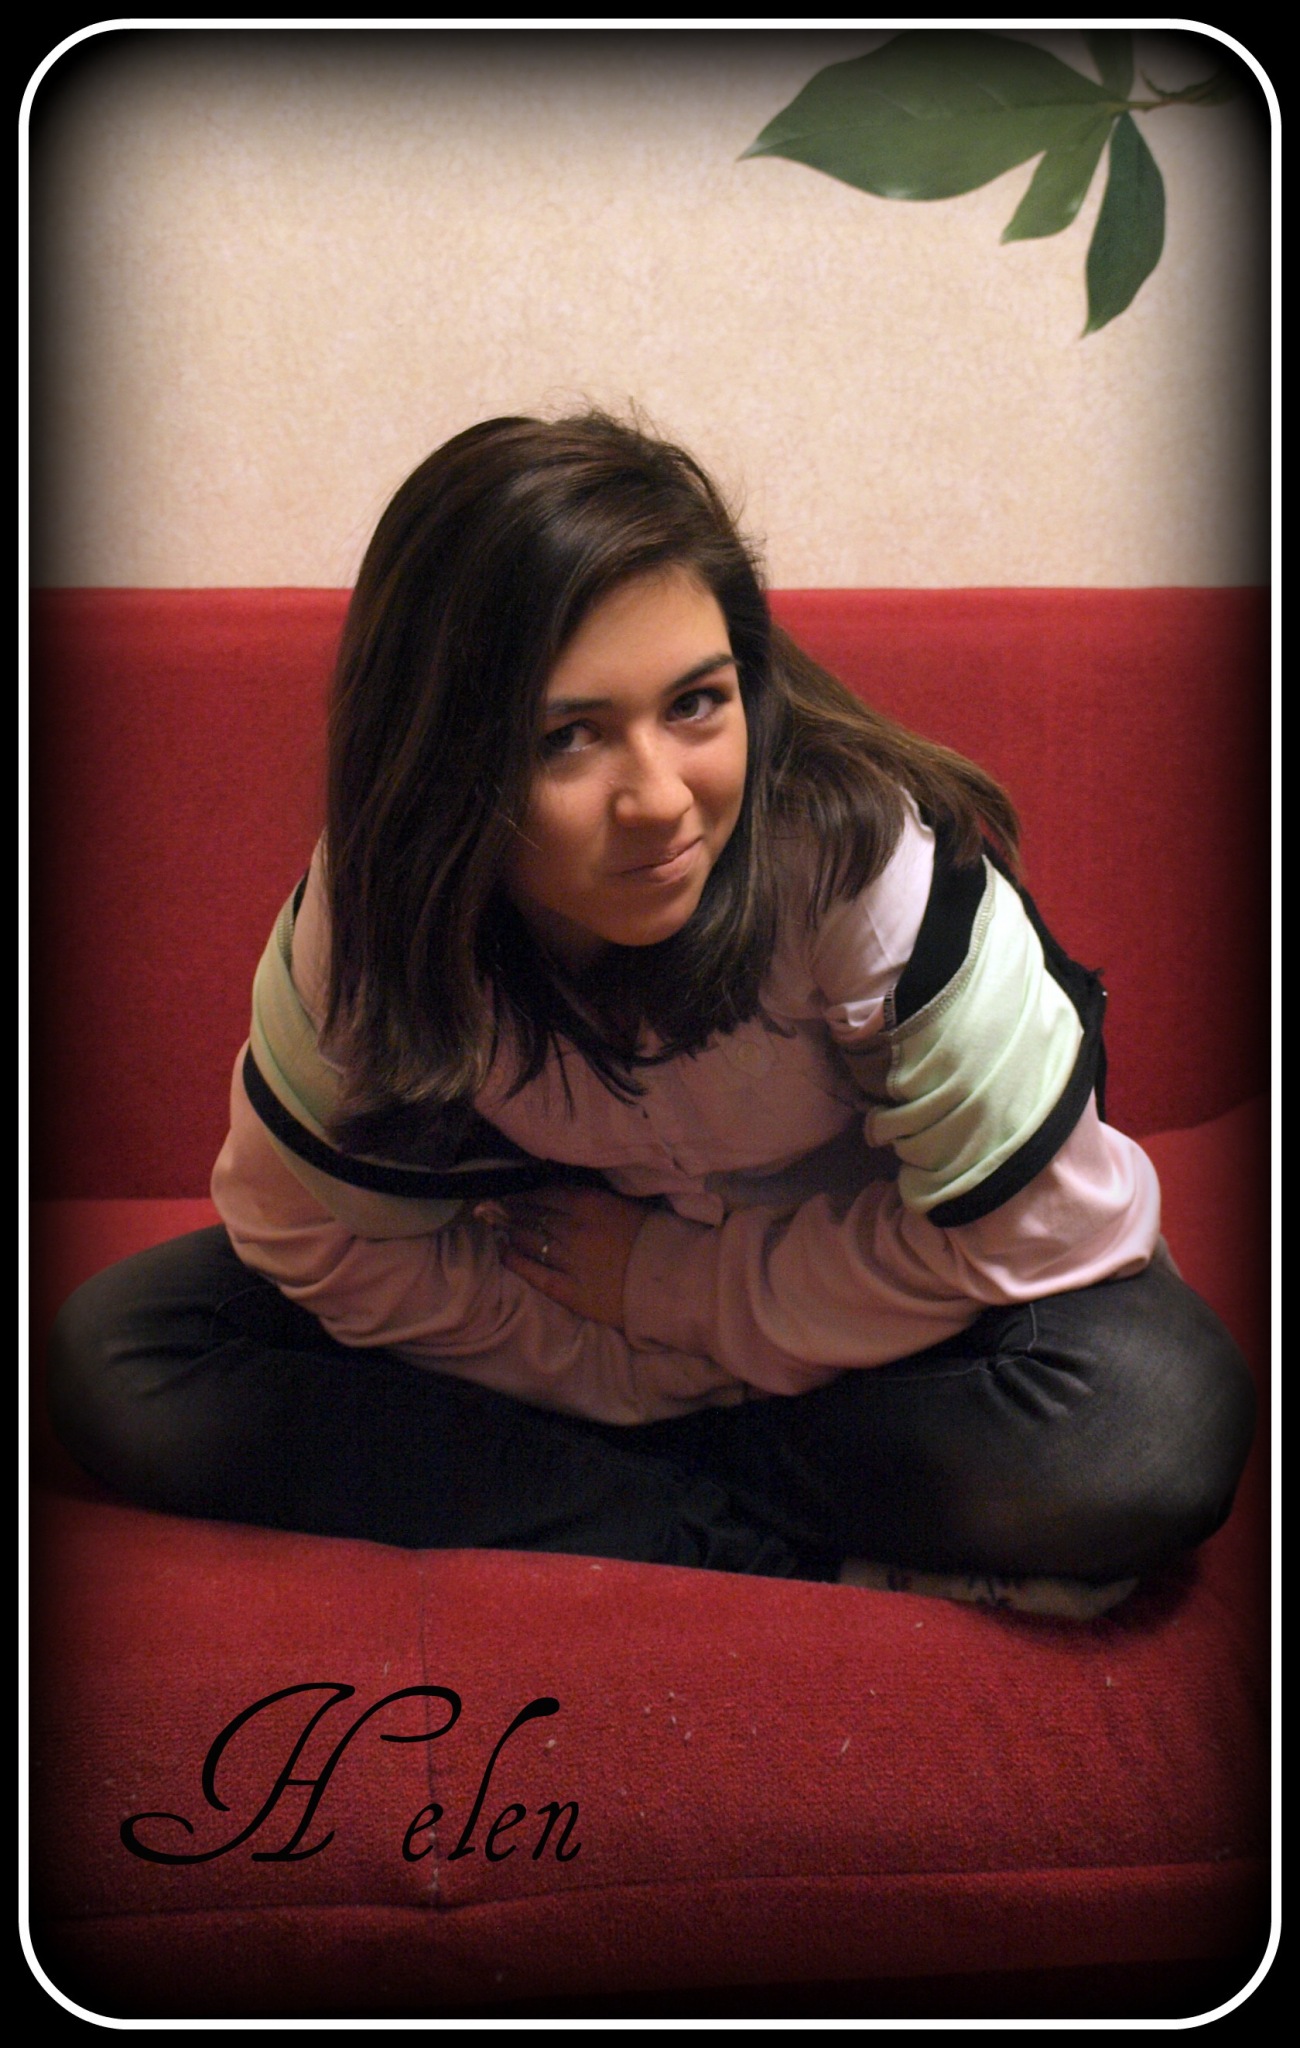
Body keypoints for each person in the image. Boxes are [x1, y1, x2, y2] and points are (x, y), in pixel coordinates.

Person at [49, 411, 1255, 1612]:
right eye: (567, 737)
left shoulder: (863, 861)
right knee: (126, 1351)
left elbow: (1061, 1233)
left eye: (694, 704)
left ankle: (611, 1507)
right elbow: (301, 1233)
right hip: (559, 1339)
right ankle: (751, 1544)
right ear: (441, 756)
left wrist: (675, 1289)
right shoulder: (372, 919)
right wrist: (615, 1367)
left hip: (873, 1342)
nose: (660, 801)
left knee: (1151, 1419)